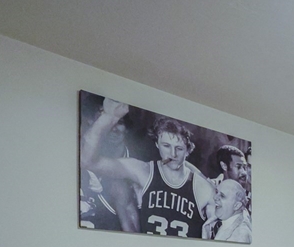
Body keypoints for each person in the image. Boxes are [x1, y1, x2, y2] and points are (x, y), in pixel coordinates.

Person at [81, 98, 215, 238]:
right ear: (157, 144)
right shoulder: (144, 171)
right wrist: (109, 117)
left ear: (188, 150)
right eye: (166, 146)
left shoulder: (203, 188)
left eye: (179, 148)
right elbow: (87, 161)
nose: (173, 154)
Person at [79, 99, 138, 232]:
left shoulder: (140, 161)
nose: (114, 128)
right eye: (108, 124)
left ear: (127, 129)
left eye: (120, 123)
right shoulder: (79, 155)